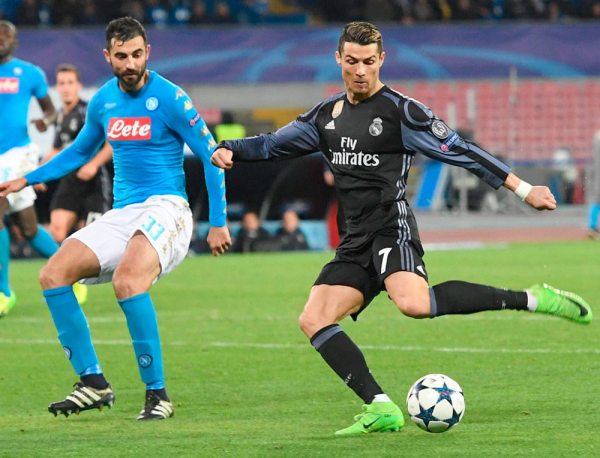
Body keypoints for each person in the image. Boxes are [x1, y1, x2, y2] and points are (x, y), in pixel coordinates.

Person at [210, 21, 593, 436]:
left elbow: (462, 151)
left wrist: (523, 189)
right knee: (313, 318)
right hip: (354, 239)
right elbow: (272, 144)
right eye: (352, 61)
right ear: (338, 59)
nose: (360, 71)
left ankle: (532, 299)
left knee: (413, 303)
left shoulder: (403, 112)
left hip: (391, 227)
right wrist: (231, 148)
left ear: (382, 60)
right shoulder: (325, 116)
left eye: (368, 62)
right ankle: (380, 407)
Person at [0, 16, 231, 420]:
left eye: (137, 54)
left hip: (167, 207)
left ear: (148, 52)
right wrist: (28, 178)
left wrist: (218, 221)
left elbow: (213, 155)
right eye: (121, 56)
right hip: (123, 212)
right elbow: (79, 152)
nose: (130, 64)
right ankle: (92, 383)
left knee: (127, 281)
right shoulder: (104, 101)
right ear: (107, 56)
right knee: (52, 274)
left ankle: (157, 395)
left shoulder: (172, 98)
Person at [0, 20, 71, 317]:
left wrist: (46, 121)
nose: (1, 39)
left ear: (15, 41)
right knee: (28, 227)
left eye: (6, 35)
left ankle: (3, 292)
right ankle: (70, 271)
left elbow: (52, 111)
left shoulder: (29, 73)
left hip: (18, 152)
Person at [42, 63, 113, 243]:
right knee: (57, 230)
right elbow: (58, 149)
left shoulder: (89, 112)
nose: (66, 88)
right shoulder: (60, 116)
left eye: (70, 82)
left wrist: (93, 164)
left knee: (94, 237)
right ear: (57, 87)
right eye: (62, 83)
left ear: (79, 86)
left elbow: (111, 144)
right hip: (71, 179)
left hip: (94, 179)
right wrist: (38, 173)